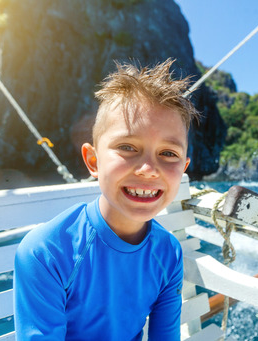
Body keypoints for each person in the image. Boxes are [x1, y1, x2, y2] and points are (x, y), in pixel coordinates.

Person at [14, 58, 199, 340]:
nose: (149, 169)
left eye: (168, 153)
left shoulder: (168, 253)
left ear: (183, 169)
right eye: (127, 147)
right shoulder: (47, 253)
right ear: (93, 160)